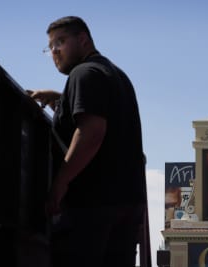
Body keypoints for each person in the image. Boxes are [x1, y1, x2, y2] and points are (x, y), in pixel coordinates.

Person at [28, 16, 147, 267]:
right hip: (126, 205)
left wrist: (60, 183)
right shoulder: (116, 75)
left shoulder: (84, 73)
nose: (54, 51)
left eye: (60, 42)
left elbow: (92, 132)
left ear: (82, 39)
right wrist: (62, 100)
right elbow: (109, 116)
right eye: (50, 46)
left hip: (92, 207)